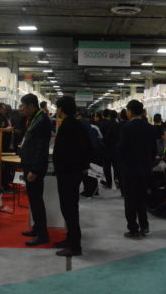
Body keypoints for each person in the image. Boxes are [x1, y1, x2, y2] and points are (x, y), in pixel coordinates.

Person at [52, 96, 92, 257]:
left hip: (67, 174)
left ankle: (75, 246)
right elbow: (87, 148)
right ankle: (70, 240)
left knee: (69, 209)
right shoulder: (78, 125)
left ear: (61, 108)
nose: (56, 111)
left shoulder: (68, 126)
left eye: (57, 108)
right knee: (69, 208)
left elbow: (64, 151)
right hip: (72, 173)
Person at [118, 100, 156, 240]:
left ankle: (133, 229)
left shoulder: (126, 128)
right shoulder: (150, 128)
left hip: (129, 170)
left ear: (130, 111)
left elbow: (121, 150)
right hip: (145, 170)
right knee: (141, 199)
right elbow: (153, 151)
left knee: (130, 201)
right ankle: (145, 226)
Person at [18, 94, 52, 246]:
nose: (21, 108)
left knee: (37, 201)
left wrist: (35, 170)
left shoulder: (42, 120)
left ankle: (42, 235)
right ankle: (37, 228)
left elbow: (41, 148)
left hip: (34, 167)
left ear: (31, 106)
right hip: (29, 164)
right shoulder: (35, 119)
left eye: (23, 105)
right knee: (33, 199)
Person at [101, 109, 120, 189]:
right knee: (116, 166)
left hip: (107, 148)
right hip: (116, 148)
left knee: (107, 166)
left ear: (109, 116)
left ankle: (109, 183)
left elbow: (104, 136)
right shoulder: (118, 124)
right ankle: (117, 180)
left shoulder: (106, 124)